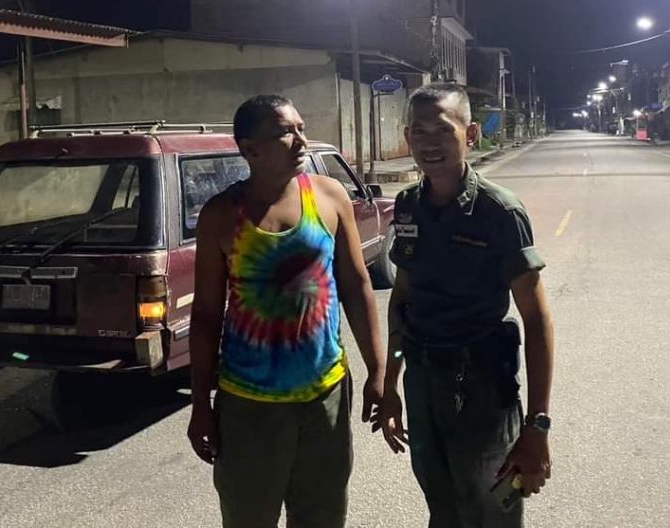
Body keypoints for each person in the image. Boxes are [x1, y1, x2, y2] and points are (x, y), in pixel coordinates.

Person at [187, 94, 386, 528]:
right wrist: (200, 402)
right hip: (247, 405)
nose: (300, 140)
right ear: (250, 149)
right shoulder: (221, 216)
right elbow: (205, 316)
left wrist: (378, 370)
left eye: (301, 128)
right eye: (284, 132)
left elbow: (357, 287)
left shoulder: (329, 197)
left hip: (325, 397)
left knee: (321, 518)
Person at [372, 83, 554, 528]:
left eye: (442, 129)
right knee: (442, 506)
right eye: (418, 131)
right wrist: (391, 384)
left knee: (491, 511)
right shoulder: (408, 206)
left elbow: (536, 319)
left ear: (470, 134)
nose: (429, 143)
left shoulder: (499, 211)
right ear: (407, 137)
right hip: (422, 383)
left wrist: (537, 427)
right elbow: (403, 300)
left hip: (482, 389)